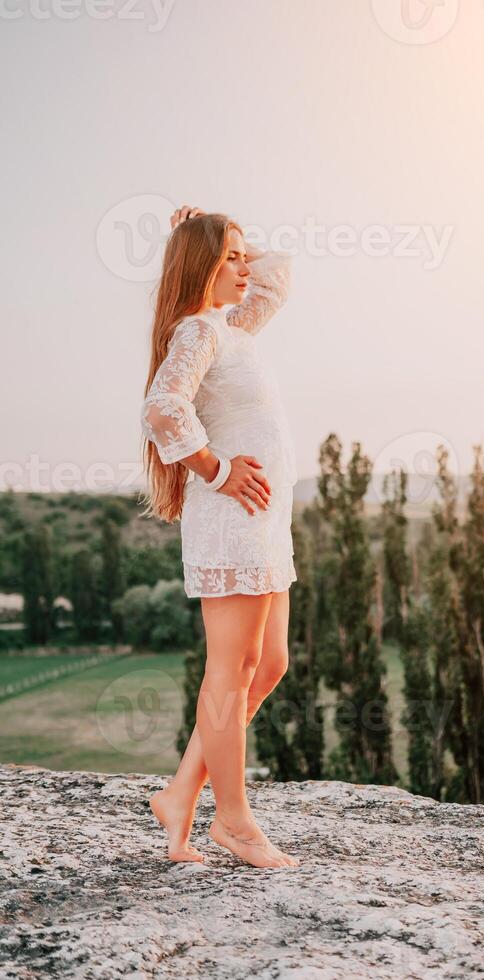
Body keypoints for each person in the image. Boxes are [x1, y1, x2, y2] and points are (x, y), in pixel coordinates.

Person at [139, 205, 300, 870]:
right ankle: (232, 822)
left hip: (265, 520)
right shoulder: (198, 332)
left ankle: (181, 795)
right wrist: (218, 469)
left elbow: (277, 279)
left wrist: (225, 234)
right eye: (227, 258)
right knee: (231, 674)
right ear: (199, 268)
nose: (242, 268)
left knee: (268, 666)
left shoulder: (232, 328)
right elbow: (161, 406)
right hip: (234, 519)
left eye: (240, 257)